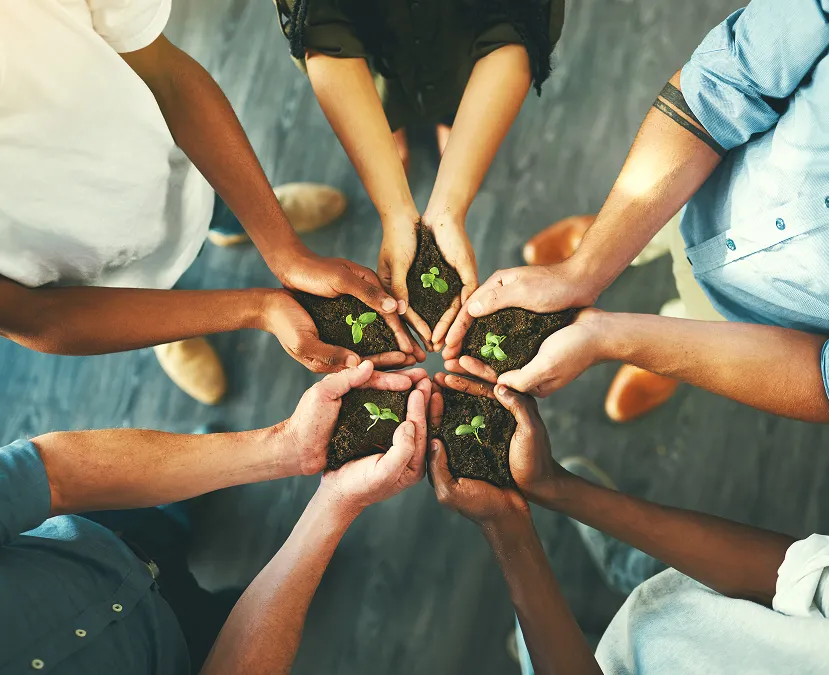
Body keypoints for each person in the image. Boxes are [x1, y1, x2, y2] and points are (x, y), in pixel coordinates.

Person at [443, 0, 829, 423]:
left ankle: (667, 350)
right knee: (655, 223)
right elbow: (728, 81)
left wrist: (609, 338)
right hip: (701, 181)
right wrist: (583, 270)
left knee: (694, 321)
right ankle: (600, 239)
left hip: (766, 328)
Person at [0, 0, 421, 406]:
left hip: (172, 162)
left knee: (211, 203)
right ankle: (172, 331)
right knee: (143, 290)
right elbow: (36, 317)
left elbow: (164, 72)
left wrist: (285, 252)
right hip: (87, 281)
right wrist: (261, 308)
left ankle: (244, 220)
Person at [0, 361, 431, 674]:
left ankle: (176, 515)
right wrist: (336, 502)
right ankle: (243, 597)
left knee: (155, 526)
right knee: (224, 618)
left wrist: (288, 447)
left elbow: (53, 475)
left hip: (103, 536)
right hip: (185, 655)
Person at [429, 374, 829, 675]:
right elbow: (796, 575)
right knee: (662, 580)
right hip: (710, 595)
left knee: (540, 648)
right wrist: (554, 485)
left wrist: (508, 527)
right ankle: (627, 567)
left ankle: (558, 642)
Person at [274, 0, 564, 350]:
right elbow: (327, 33)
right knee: (381, 93)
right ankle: (389, 129)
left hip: (462, 35)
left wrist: (449, 207)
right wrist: (395, 211)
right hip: (373, 45)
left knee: (459, 81)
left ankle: (451, 124)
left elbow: (513, 26)